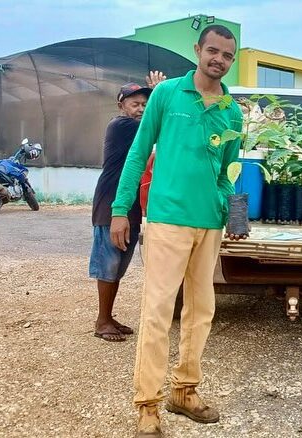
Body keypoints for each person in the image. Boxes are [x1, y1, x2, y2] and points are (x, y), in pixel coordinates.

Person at [109, 24, 244, 438]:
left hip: (209, 225)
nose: (219, 59)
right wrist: (121, 209)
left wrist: (231, 211)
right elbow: (138, 153)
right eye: (213, 51)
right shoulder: (167, 95)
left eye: (227, 55)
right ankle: (148, 404)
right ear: (198, 50)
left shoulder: (232, 112)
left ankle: (184, 391)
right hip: (168, 219)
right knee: (158, 311)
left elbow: (227, 173)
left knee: (201, 311)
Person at [90, 72, 166, 342]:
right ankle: (101, 321)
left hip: (130, 206)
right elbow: (156, 125)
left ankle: (108, 317)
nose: (141, 108)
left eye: (145, 103)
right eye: (135, 103)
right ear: (121, 105)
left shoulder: (136, 128)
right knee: (108, 264)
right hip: (111, 205)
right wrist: (161, 95)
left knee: (119, 265)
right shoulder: (120, 125)